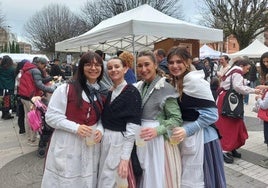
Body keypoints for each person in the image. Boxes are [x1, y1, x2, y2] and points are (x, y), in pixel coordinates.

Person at [41, 51, 108, 188]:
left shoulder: (102, 92)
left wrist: (100, 130)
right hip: (68, 143)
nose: (93, 68)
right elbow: (51, 117)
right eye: (88, 65)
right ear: (82, 67)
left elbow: (103, 118)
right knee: (66, 180)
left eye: (97, 65)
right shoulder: (66, 89)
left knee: (85, 181)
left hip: (90, 145)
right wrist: (76, 128)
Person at [167, 47, 226, 188]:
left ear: (187, 62)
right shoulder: (177, 82)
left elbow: (212, 115)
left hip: (203, 140)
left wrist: (187, 130)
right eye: (171, 62)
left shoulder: (195, 81)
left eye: (179, 61)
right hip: (187, 137)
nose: (175, 66)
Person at [135, 50, 182, 188]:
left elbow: (176, 119)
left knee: (157, 180)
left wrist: (158, 130)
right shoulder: (141, 86)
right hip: (142, 140)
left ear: (155, 65)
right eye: (140, 65)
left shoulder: (165, 87)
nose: (143, 69)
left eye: (147, 64)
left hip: (158, 143)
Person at [97, 57, 142, 188]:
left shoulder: (132, 93)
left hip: (119, 142)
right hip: (107, 141)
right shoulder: (111, 92)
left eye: (117, 66)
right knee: (105, 177)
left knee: (112, 181)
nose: (113, 70)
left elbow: (132, 128)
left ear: (125, 69)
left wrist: (125, 158)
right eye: (110, 68)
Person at [215, 58, 260, 164]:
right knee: (229, 126)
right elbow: (238, 87)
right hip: (229, 102)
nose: (248, 71)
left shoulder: (231, 71)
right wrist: (253, 90)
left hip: (225, 100)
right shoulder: (238, 72)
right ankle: (225, 149)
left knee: (230, 125)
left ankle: (229, 147)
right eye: (247, 68)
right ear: (242, 66)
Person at [18, 57, 56, 146]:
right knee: (33, 118)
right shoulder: (35, 70)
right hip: (30, 97)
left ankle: (30, 138)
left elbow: (38, 81)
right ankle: (32, 139)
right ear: (40, 63)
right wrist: (52, 89)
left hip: (24, 95)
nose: (44, 67)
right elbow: (39, 84)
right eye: (44, 65)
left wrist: (49, 78)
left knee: (27, 118)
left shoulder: (28, 67)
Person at [0, 55, 15, 120]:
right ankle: (6, 114)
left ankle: (3, 113)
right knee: (7, 100)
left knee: (2, 100)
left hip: (1, 86)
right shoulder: (12, 69)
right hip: (9, 86)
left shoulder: (0, 68)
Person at [14, 60, 27, 134]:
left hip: (18, 94)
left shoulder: (18, 73)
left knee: (21, 113)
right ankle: (22, 129)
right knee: (22, 113)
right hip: (22, 94)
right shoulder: (21, 74)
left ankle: (21, 129)